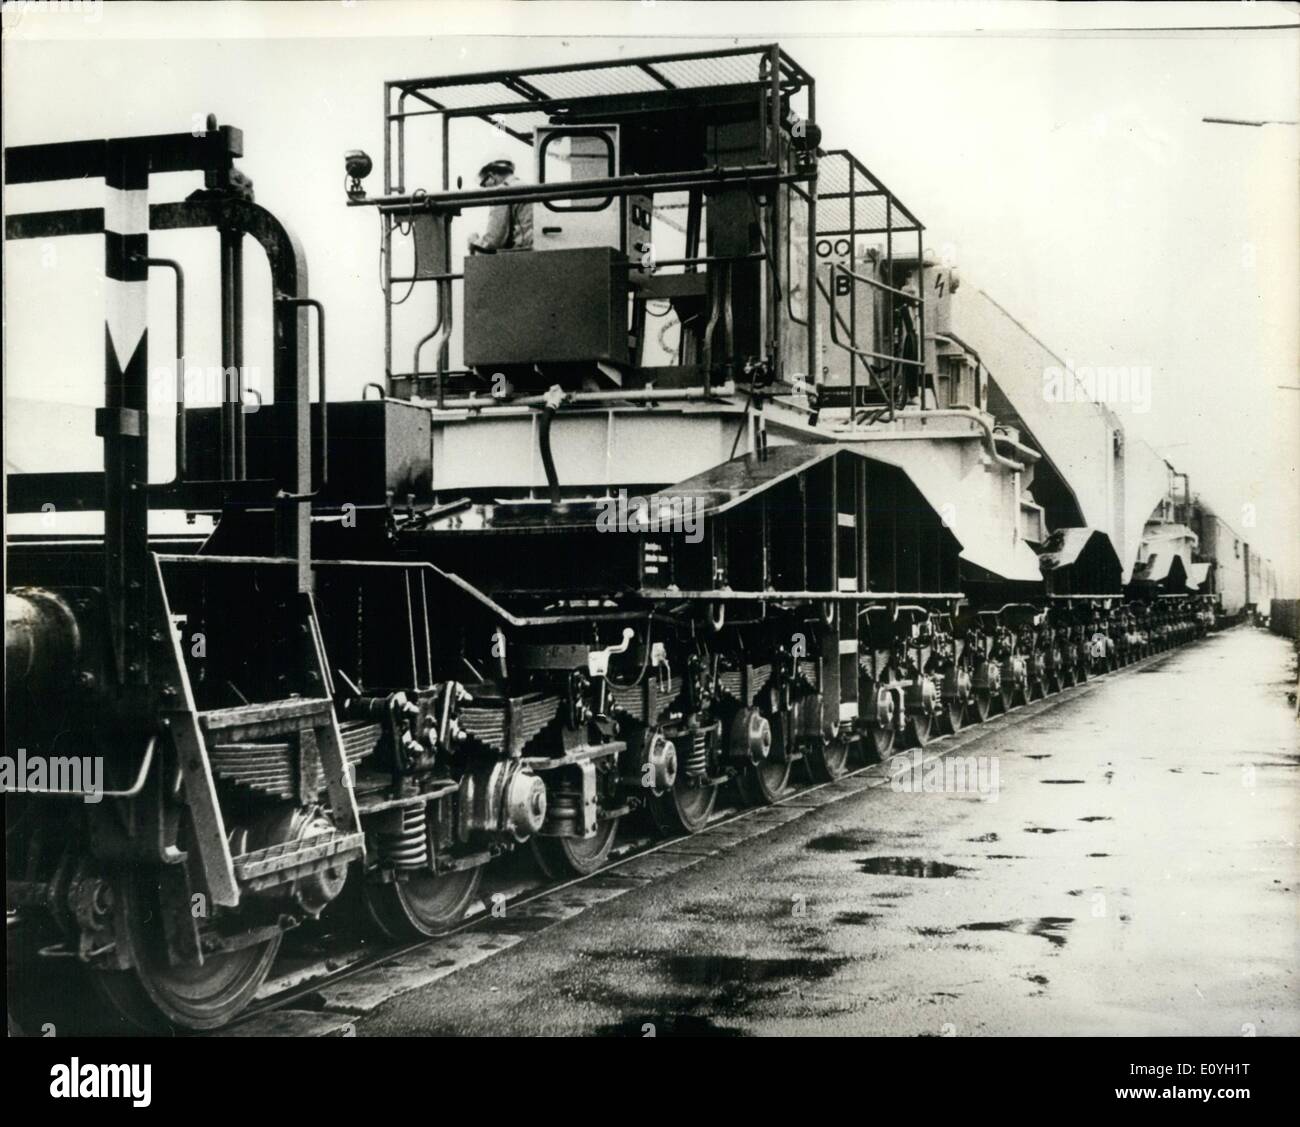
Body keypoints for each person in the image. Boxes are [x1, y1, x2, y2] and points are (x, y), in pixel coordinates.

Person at [469, 157, 533, 253]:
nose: (485, 189)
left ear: (491, 177)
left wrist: (474, 241)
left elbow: (494, 241)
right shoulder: (523, 186)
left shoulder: (502, 191)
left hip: (524, 253)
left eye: (483, 184)